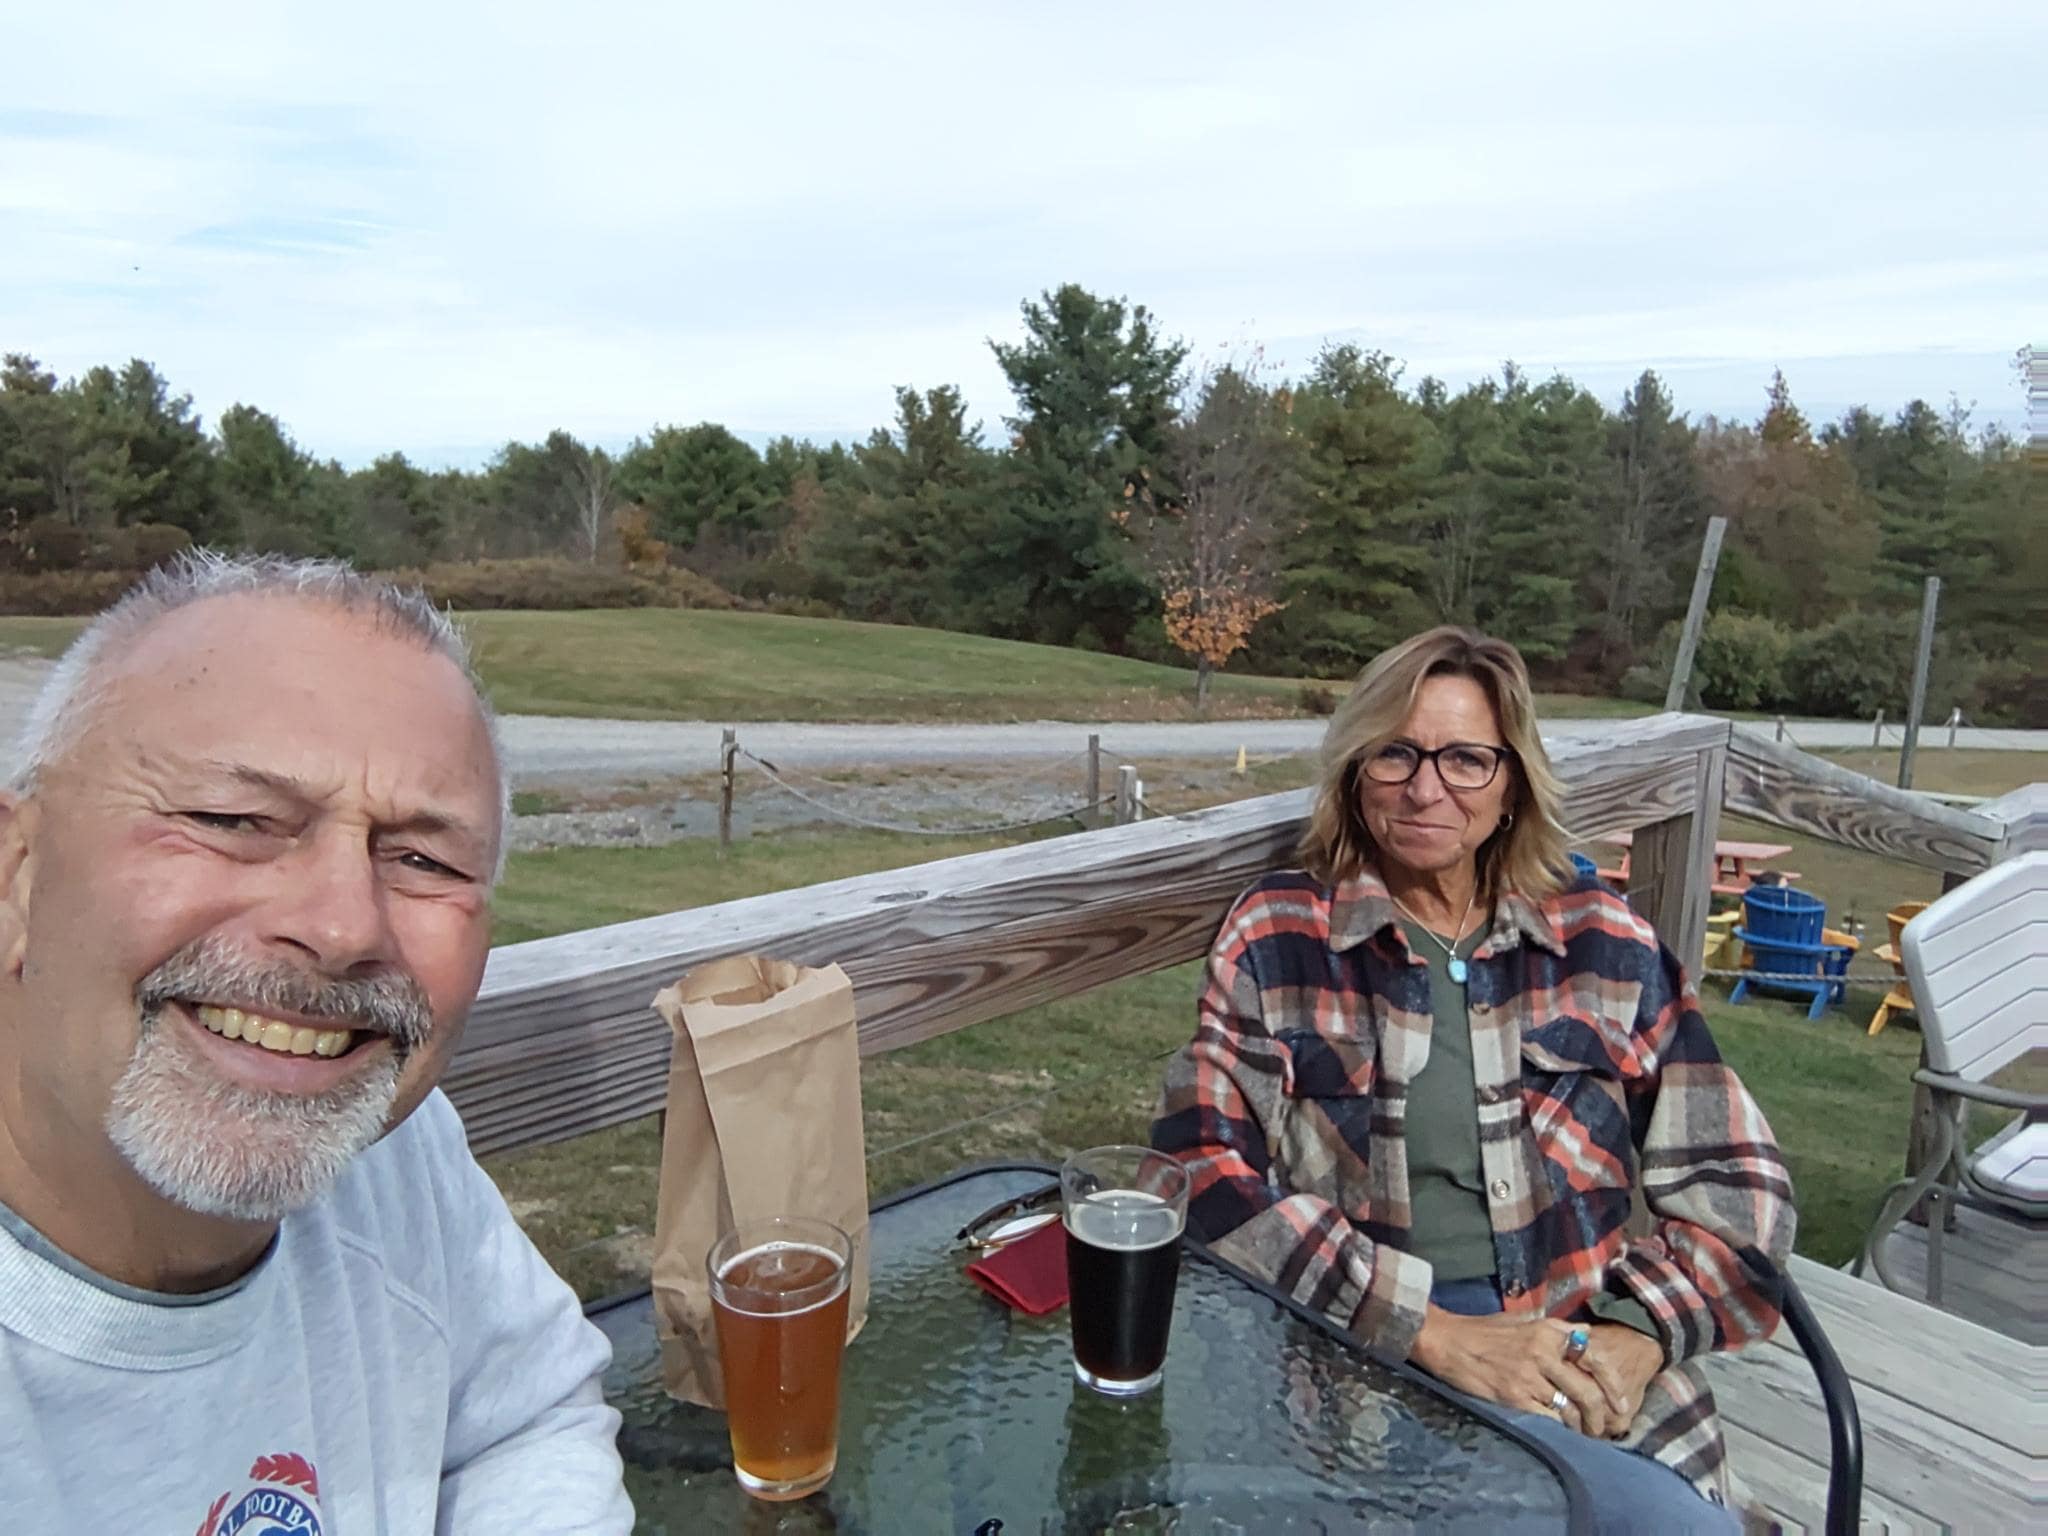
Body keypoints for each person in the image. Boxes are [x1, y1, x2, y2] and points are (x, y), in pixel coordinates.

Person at [0, 554, 633, 1531]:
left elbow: (524, 1417)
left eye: (423, 859)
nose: (343, 928)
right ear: (17, 871)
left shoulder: (378, 1142)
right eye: (233, 820)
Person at [1153, 626, 1793, 1533]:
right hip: (1358, 1359)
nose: (1426, 789)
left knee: (1676, 1524)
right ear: (1355, 771)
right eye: (1396, 754)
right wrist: (1429, 1331)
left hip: (1580, 1342)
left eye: (1465, 759)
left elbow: (1741, 1181)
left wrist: (1639, 1333)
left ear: (1511, 784)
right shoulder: (1280, 933)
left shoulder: (1601, 938)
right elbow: (1197, 1169)